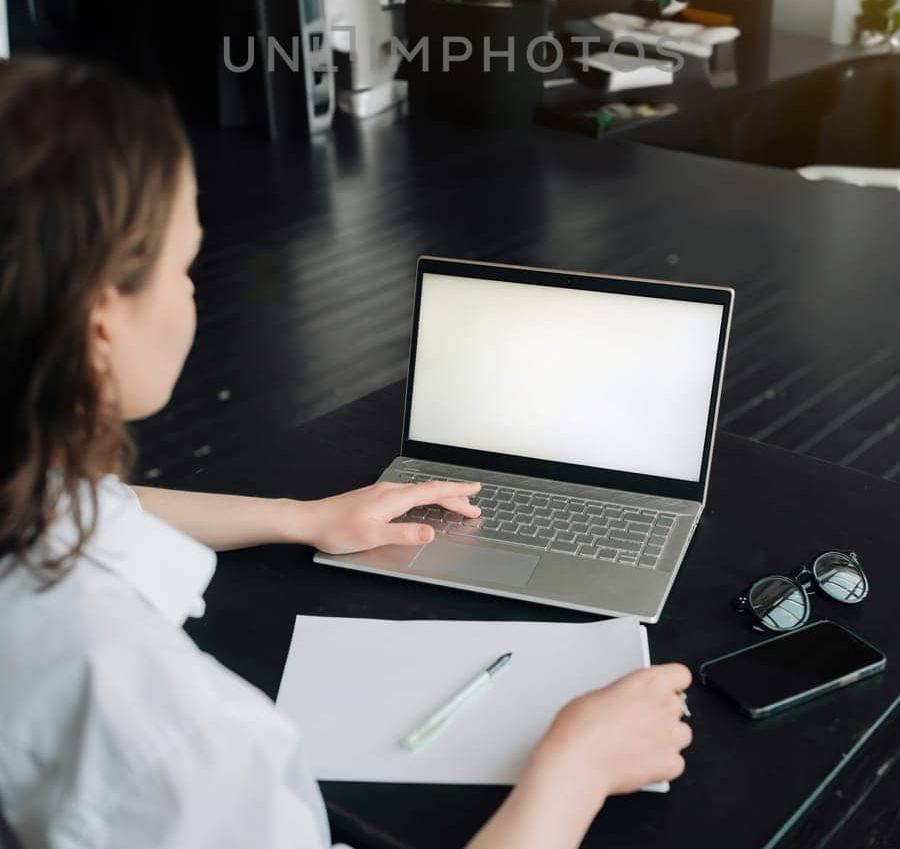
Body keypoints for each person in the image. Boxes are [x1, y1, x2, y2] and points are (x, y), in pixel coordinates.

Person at [0, 56, 692, 849]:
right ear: (101, 323)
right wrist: (574, 767)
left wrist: (308, 519)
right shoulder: (167, 737)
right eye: (185, 267)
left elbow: (89, 505)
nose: (194, 292)